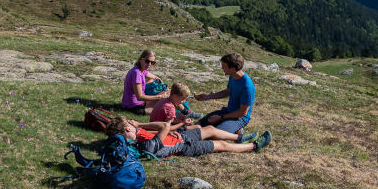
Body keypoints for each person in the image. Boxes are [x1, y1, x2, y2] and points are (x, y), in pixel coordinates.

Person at [105, 117, 270, 158]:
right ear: (128, 128)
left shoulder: (136, 138)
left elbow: (160, 133)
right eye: (131, 124)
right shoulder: (143, 147)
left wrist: (167, 133)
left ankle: (239, 138)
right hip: (185, 147)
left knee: (210, 129)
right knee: (220, 144)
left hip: (179, 136)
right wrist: (140, 123)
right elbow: (164, 126)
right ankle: (254, 146)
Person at [194, 52, 255, 134]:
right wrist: (207, 97)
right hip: (228, 112)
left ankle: (238, 131)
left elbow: (242, 112)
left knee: (214, 134)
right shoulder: (233, 76)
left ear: (232, 69)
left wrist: (221, 118)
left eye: (224, 67)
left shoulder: (247, 86)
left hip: (239, 118)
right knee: (198, 125)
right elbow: (227, 92)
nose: (222, 68)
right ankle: (234, 130)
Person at [122, 49, 169, 115]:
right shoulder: (137, 73)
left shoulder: (142, 69)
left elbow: (156, 78)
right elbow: (140, 97)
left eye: (152, 62)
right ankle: (184, 112)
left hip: (134, 103)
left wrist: (164, 87)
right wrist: (160, 96)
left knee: (167, 92)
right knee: (167, 101)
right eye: (147, 61)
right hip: (134, 107)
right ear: (141, 59)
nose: (149, 64)